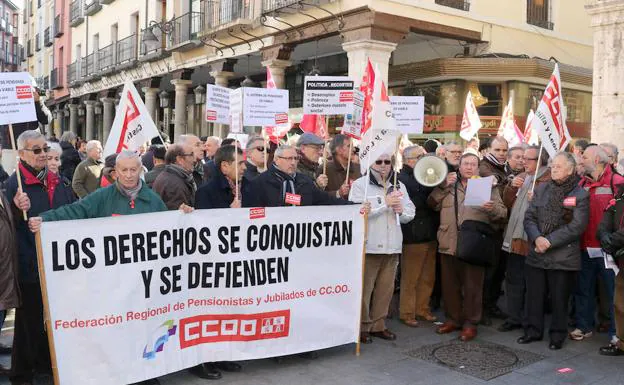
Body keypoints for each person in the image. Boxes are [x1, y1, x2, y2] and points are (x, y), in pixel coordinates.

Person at [27, 150, 166, 385]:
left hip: (143, 284)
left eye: (134, 170)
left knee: (142, 329)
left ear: (141, 170)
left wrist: (185, 216)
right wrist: (46, 219)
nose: (130, 175)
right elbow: (75, 211)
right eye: (125, 170)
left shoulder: (153, 201)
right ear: (115, 173)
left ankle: (143, 374)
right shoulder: (102, 197)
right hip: (111, 284)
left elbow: (171, 231)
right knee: (117, 329)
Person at [5, 130, 76, 385]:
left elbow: (71, 211)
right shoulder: (15, 184)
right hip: (29, 263)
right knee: (28, 323)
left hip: (57, 263)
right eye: (36, 150)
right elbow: (7, 226)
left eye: (45, 149)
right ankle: (21, 374)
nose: (43, 154)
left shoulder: (60, 181)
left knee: (53, 320)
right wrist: (14, 207)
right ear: (22, 154)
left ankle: (46, 366)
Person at [428, 153, 506, 341]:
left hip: (473, 245)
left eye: (473, 164)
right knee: (449, 286)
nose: (469, 167)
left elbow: (502, 213)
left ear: (478, 168)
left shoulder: (487, 186)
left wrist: (491, 208)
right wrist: (443, 186)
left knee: (473, 287)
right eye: (466, 164)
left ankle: (471, 323)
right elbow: (431, 204)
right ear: (459, 166)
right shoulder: (448, 184)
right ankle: (453, 319)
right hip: (449, 242)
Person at [520, 152, 589, 350]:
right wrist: (537, 238)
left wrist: (548, 241)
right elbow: (529, 217)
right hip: (537, 252)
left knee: (559, 298)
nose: (554, 169)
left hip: (562, 256)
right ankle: (533, 331)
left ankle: (557, 335)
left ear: (570, 169)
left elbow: (576, 226)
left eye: (558, 166)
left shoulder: (580, 194)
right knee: (534, 295)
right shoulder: (542, 189)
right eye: (553, 165)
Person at [350, 152, 415, 343]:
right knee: (365, 289)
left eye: (388, 161)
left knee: (385, 289)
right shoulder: (360, 184)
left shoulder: (399, 185)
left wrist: (401, 210)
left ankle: (379, 325)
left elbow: (410, 211)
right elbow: (357, 211)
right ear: (371, 163)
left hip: (393, 244)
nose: (384, 165)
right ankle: (362, 326)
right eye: (379, 161)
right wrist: (383, 204)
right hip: (370, 245)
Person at [572, 145, 624, 343]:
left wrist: (614, 240)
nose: (580, 159)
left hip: (609, 249)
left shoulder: (617, 182)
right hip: (585, 247)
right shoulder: (581, 184)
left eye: (584, 157)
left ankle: (617, 333)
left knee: (614, 293)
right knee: (583, 289)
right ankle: (583, 326)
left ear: (596, 160)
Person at [498, 146, 551, 332]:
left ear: (540, 161)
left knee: (532, 285)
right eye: (523, 159)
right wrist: (511, 188)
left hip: (532, 240)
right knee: (513, 280)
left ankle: (529, 320)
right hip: (514, 237)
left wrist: (537, 198)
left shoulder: (547, 179)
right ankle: (514, 317)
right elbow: (507, 204)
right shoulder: (522, 177)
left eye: (529, 159)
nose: (523, 162)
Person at [398, 146, 439, 326]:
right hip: (413, 234)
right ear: (409, 160)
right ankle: (407, 312)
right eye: (419, 156)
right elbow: (417, 200)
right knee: (411, 277)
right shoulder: (402, 178)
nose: (424, 159)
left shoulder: (422, 176)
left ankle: (422, 309)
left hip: (429, 232)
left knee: (427, 276)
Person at [243, 145, 346, 208]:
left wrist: (353, 205)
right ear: (277, 160)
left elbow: (325, 199)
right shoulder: (261, 182)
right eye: (288, 159)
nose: (293, 162)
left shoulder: (304, 180)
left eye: (295, 158)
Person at [479, 136, 510, 323]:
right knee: (488, 273)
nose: (501, 154)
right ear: (488, 150)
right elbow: (491, 180)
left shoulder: (504, 168)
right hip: (489, 226)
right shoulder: (485, 167)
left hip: (500, 225)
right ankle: (482, 309)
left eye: (504, 150)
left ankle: (490, 305)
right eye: (498, 150)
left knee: (497, 271)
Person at [596, 183, 624, 356]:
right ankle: (621, 343)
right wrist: (604, 234)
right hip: (621, 260)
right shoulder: (621, 191)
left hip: (618, 245)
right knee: (619, 304)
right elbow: (608, 212)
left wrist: (612, 240)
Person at [0, 87, 49, 173]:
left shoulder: (32, 96)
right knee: (9, 179)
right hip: (10, 148)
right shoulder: (5, 96)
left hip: (29, 148)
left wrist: (37, 102)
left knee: (30, 177)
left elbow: (45, 120)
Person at [151, 144, 196, 212]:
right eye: (191, 154)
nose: (194, 159)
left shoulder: (169, 176)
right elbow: (178, 218)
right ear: (180, 159)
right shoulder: (174, 184)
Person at [324, 134, 359, 199]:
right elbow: (319, 196)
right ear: (339, 150)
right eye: (349, 146)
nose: (354, 149)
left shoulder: (358, 168)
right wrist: (338, 193)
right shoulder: (325, 169)